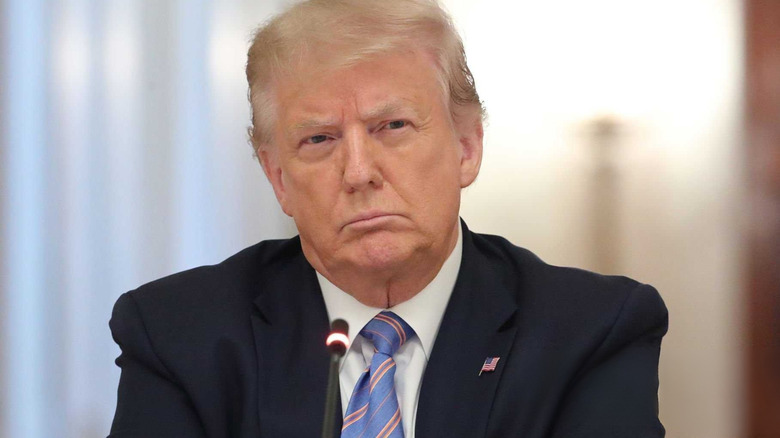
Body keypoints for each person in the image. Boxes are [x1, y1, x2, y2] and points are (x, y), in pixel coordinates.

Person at [108, 0, 668, 436]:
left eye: (392, 127)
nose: (358, 172)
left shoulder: (590, 332)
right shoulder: (180, 337)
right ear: (278, 177)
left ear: (467, 146)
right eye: (319, 139)